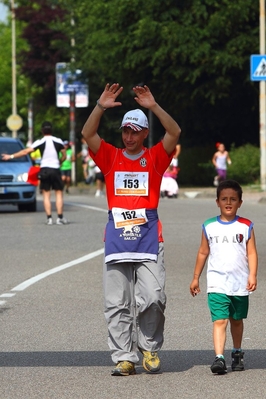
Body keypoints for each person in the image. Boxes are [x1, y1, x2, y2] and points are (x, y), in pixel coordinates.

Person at [81, 83, 181, 376]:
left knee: (153, 297)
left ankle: (149, 348)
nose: (129, 136)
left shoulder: (155, 159)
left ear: (144, 134)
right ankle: (124, 356)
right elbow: (88, 134)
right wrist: (100, 106)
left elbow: (174, 132)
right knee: (117, 302)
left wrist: (154, 106)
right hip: (116, 238)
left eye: (135, 132)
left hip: (149, 237)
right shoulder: (111, 157)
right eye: (125, 131)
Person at [190, 179, 258, 374]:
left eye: (233, 199)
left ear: (240, 202)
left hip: (239, 283)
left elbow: (251, 253)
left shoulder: (246, 226)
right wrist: (196, 277)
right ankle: (219, 358)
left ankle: (237, 353)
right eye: (224, 199)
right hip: (217, 282)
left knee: (236, 319)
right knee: (220, 320)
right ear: (217, 201)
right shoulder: (209, 226)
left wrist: (252, 275)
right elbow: (203, 252)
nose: (228, 202)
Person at [2, 121, 69, 225]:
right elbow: (64, 155)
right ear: (52, 130)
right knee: (59, 193)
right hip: (55, 169)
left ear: (42, 131)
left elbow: (25, 152)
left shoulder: (40, 141)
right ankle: (60, 217)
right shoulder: (58, 141)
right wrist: (59, 162)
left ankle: (49, 218)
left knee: (46, 194)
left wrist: (10, 156)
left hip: (44, 170)